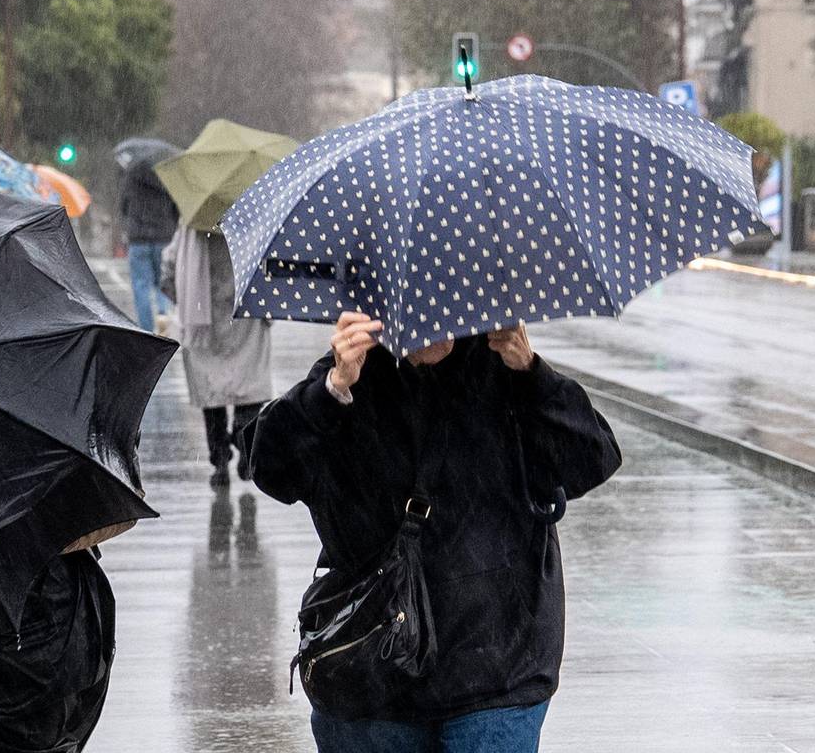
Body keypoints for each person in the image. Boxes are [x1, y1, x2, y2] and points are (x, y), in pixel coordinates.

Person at [244, 312, 622, 752]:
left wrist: (531, 372)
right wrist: (333, 388)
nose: (430, 327)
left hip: (496, 665)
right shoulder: (355, 375)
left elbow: (592, 459)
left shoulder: (504, 370)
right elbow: (272, 469)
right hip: (374, 671)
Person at [161, 227, 273, 490]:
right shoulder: (256, 220)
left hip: (203, 316)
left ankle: (220, 459)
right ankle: (246, 443)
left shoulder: (192, 224)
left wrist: (182, 298)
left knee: (211, 392)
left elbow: (169, 268)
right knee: (248, 386)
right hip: (247, 312)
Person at [119, 166, 178, 333]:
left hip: (138, 239)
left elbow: (124, 206)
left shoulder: (131, 177)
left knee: (140, 285)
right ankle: (162, 314)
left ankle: (146, 328)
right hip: (163, 237)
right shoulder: (166, 176)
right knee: (162, 281)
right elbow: (175, 208)